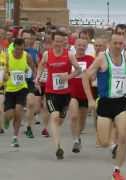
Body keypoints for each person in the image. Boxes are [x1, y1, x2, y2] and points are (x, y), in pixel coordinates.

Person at [82, 32, 126, 180]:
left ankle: (116, 171)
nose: (117, 46)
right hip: (105, 102)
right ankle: (111, 145)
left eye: (120, 43)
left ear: (124, 44)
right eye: (114, 43)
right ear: (109, 44)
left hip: (121, 102)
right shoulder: (102, 58)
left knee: (123, 136)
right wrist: (90, 99)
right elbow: (85, 77)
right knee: (103, 142)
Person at [35, 31, 82, 159]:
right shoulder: (47, 54)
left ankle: (74, 139)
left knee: (60, 119)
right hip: (51, 92)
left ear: (64, 42)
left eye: (61, 41)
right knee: (54, 118)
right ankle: (58, 148)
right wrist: (37, 78)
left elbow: (79, 69)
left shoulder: (69, 55)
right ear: (52, 42)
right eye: (57, 41)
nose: (59, 44)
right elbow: (41, 66)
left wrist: (69, 76)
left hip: (65, 93)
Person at [4, 38, 35, 147]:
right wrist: (7, 76)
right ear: (14, 47)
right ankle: (6, 119)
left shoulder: (27, 56)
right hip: (9, 89)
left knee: (18, 111)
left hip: (22, 88)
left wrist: (32, 76)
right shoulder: (8, 56)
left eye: (21, 49)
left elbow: (32, 67)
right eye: (17, 49)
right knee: (10, 114)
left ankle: (15, 138)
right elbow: (5, 71)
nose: (19, 52)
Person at [69, 38, 94, 153]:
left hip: (85, 93)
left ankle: (78, 137)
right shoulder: (70, 58)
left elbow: (94, 75)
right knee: (74, 116)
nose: (81, 47)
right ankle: (75, 140)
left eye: (83, 45)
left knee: (82, 121)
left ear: (86, 47)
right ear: (75, 45)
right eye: (79, 45)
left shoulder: (90, 59)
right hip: (72, 92)